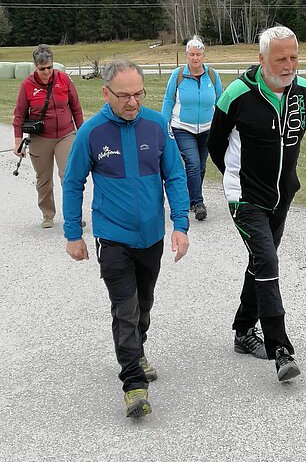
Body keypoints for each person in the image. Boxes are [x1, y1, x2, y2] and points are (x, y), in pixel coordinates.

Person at [62, 60, 189, 419]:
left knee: (144, 303)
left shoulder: (157, 125)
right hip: (112, 237)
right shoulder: (92, 132)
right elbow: (72, 183)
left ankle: (138, 349)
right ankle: (133, 383)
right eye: (124, 96)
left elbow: (175, 177)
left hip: (151, 236)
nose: (132, 102)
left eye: (138, 94)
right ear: (106, 93)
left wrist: (180, 224)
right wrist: (74, 233)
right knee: (125, 307)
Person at [207, 26, 306, 382]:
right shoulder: (236, 95)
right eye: (280, 58)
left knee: (260, 263)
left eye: (293, 57)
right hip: (246, 197)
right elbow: (216, 145)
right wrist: (236, 180)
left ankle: (242, 332)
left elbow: (293, 144)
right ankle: (280, 348)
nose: (288, 65)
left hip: (283, 196)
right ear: (262, 59)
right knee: (267, 259)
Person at [13, 44, 84, 228]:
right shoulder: (27, 85)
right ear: (35, 67)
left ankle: (73, 215)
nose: (47, 72)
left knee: (68, 175)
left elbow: (76, 108)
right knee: (44, 179)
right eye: (42, 68)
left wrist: (82, 133)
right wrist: (18, 141)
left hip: (66, 134)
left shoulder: (64, 79)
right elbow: (19, 114)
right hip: (40, 137)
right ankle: (47, 214)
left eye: (50, 67)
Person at [161, 35, 223, 221]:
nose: (195, 58)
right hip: (182, 128)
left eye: (198, 54)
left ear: (203, 56)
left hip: (207, 128)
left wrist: (224, 126)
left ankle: (190, 198)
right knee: (193, 163)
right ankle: (198, 202)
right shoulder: (178, 75)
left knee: (201, 166)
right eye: (191, 54)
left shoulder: (212, 75)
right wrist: (164, 127)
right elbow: (168, 100)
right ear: (186, 56)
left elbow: (221, 101)